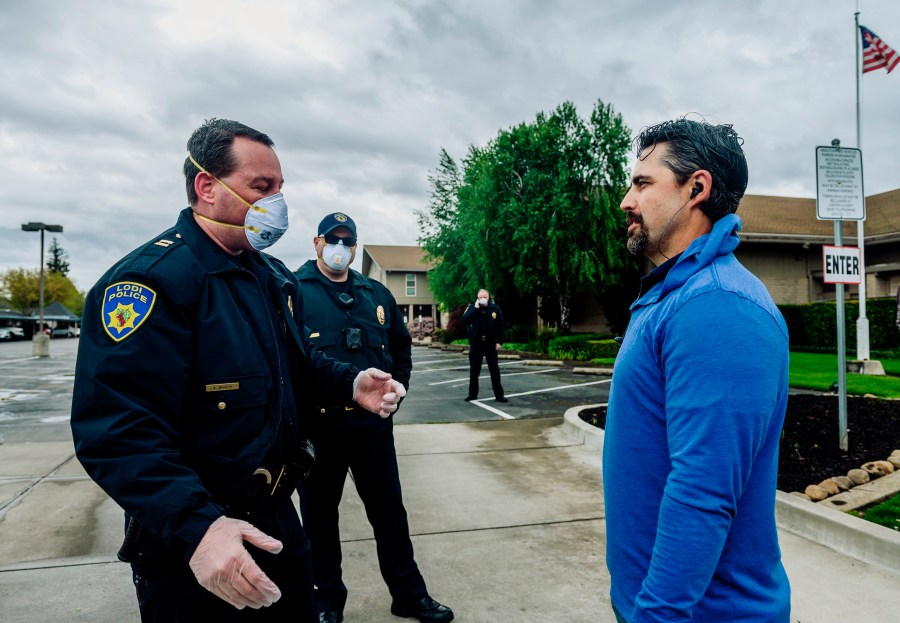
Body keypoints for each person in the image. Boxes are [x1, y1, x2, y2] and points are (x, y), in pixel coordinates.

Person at [70, 119, 406, 623]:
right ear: (207, 186)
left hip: (274, 518)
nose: (276, 204)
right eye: (261, 188)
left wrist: (349, 381)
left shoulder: (267, 275)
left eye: (280, 189)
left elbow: (291, 362)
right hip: (200, 541)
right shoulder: (150, 283)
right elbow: (117, 431)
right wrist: (198, 529)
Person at [604, 118, 791, 623]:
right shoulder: (674, 294)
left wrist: (655, 616)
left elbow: (703, 494)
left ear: (697, 188)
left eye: (642, 183)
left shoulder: (718, 306)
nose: (627, 200)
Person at [295, 213, 454, 623]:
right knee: (319, 520)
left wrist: (397, 391)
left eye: (349, 241)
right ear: (316, 242)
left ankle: (409, 596)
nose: (341, 247)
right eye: (334, 238)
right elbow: (291, 361)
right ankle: (326, 601)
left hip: (372, 429)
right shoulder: (294, 291)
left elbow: (401, 350)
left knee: (389, 514)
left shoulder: (376, 294)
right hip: (320, 428)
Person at [462, 289, 507, 402]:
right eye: (480, 297)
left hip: (490, 343)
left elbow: (501, 325)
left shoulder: (494, 308)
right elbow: (465, 320)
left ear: (488, 298)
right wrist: (475, 308)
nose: (483, 299)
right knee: (474, 371)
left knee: (494, 370)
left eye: (485, 297)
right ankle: (472, 394)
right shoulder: (472, 308)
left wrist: (499, 342)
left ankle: (499, 395)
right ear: (477, 298)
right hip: (476, 344)